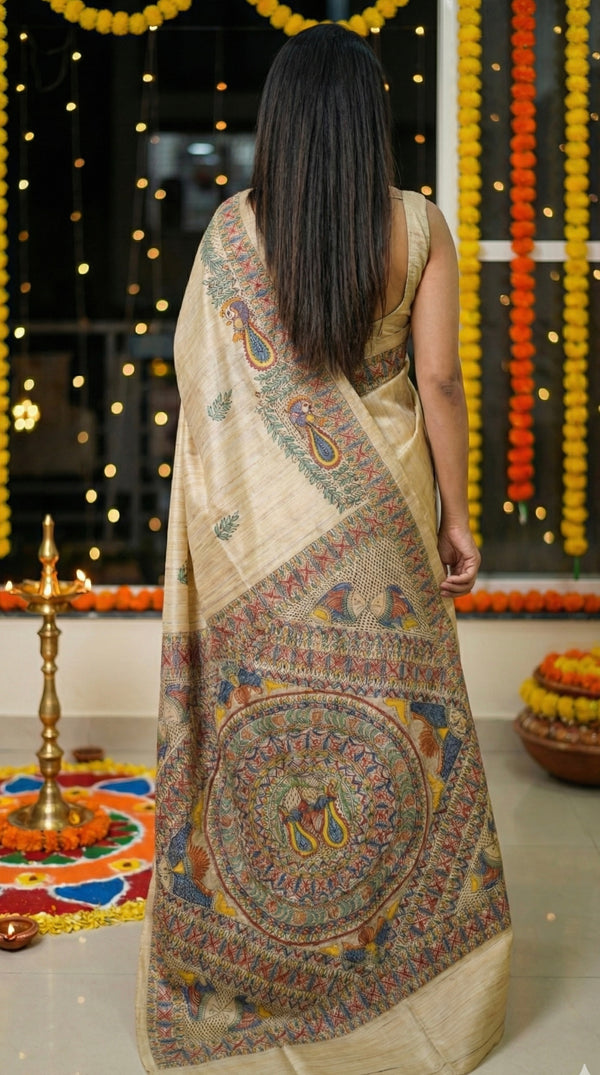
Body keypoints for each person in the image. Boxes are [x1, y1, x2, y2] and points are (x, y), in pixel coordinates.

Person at [137, 23, 511, 1074]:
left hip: (264, 531)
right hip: (385, 511)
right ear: (368, 124)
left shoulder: (231, 235)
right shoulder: (419, 224)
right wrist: (456, 516)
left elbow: (202, 390)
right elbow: (437, 385)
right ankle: (401, 973)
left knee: (275, 737)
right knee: (401, 730)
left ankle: (275, 965)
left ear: (282, 125)